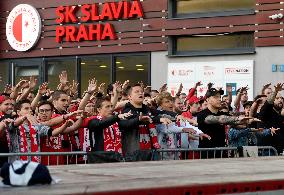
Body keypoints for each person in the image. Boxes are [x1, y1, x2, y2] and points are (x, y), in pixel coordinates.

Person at [119, 84, 172, 161]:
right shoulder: (126, 111)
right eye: (137, 92)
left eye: (142, 91)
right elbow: (126, 123)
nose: (140, 93)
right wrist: (140, 120)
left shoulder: (147, 109)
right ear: (129, 97)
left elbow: (162, 112)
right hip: (133, 154)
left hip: (150, 152)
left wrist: (177, 116)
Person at [197, 87, 255, 158]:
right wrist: (237, 119)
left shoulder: (223, 114)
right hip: (206, 155)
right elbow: (220, 119)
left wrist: (248, 120)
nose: (219, 99)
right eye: (216, 97)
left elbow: (236, 122)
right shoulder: (202, 114)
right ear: (208, 99)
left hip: (222, 153)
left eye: (219, 97)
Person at [258, 83, 284, 154]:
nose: (280, 100)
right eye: (277, 98)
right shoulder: (266, 110)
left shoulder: (280, 114)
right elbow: (269, 102)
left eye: (281, 98)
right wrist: (275, 91)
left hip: (279, 151)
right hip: (267, 152)